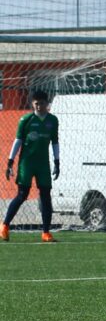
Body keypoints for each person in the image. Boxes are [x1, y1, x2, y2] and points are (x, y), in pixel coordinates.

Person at [1, 90, 60, 243]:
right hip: (27, 163)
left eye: (42, 103)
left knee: (46, 196)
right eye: (36, 103)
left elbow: (54, 142)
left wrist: (57, 161)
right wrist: (10, 161)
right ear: (32, 104)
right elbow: (18, 141)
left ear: (47, 104)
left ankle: (46, 233)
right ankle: (5, 226)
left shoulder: (53, 120)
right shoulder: (26, 120)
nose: (39, 106)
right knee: (22, 195)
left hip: (43, 164)